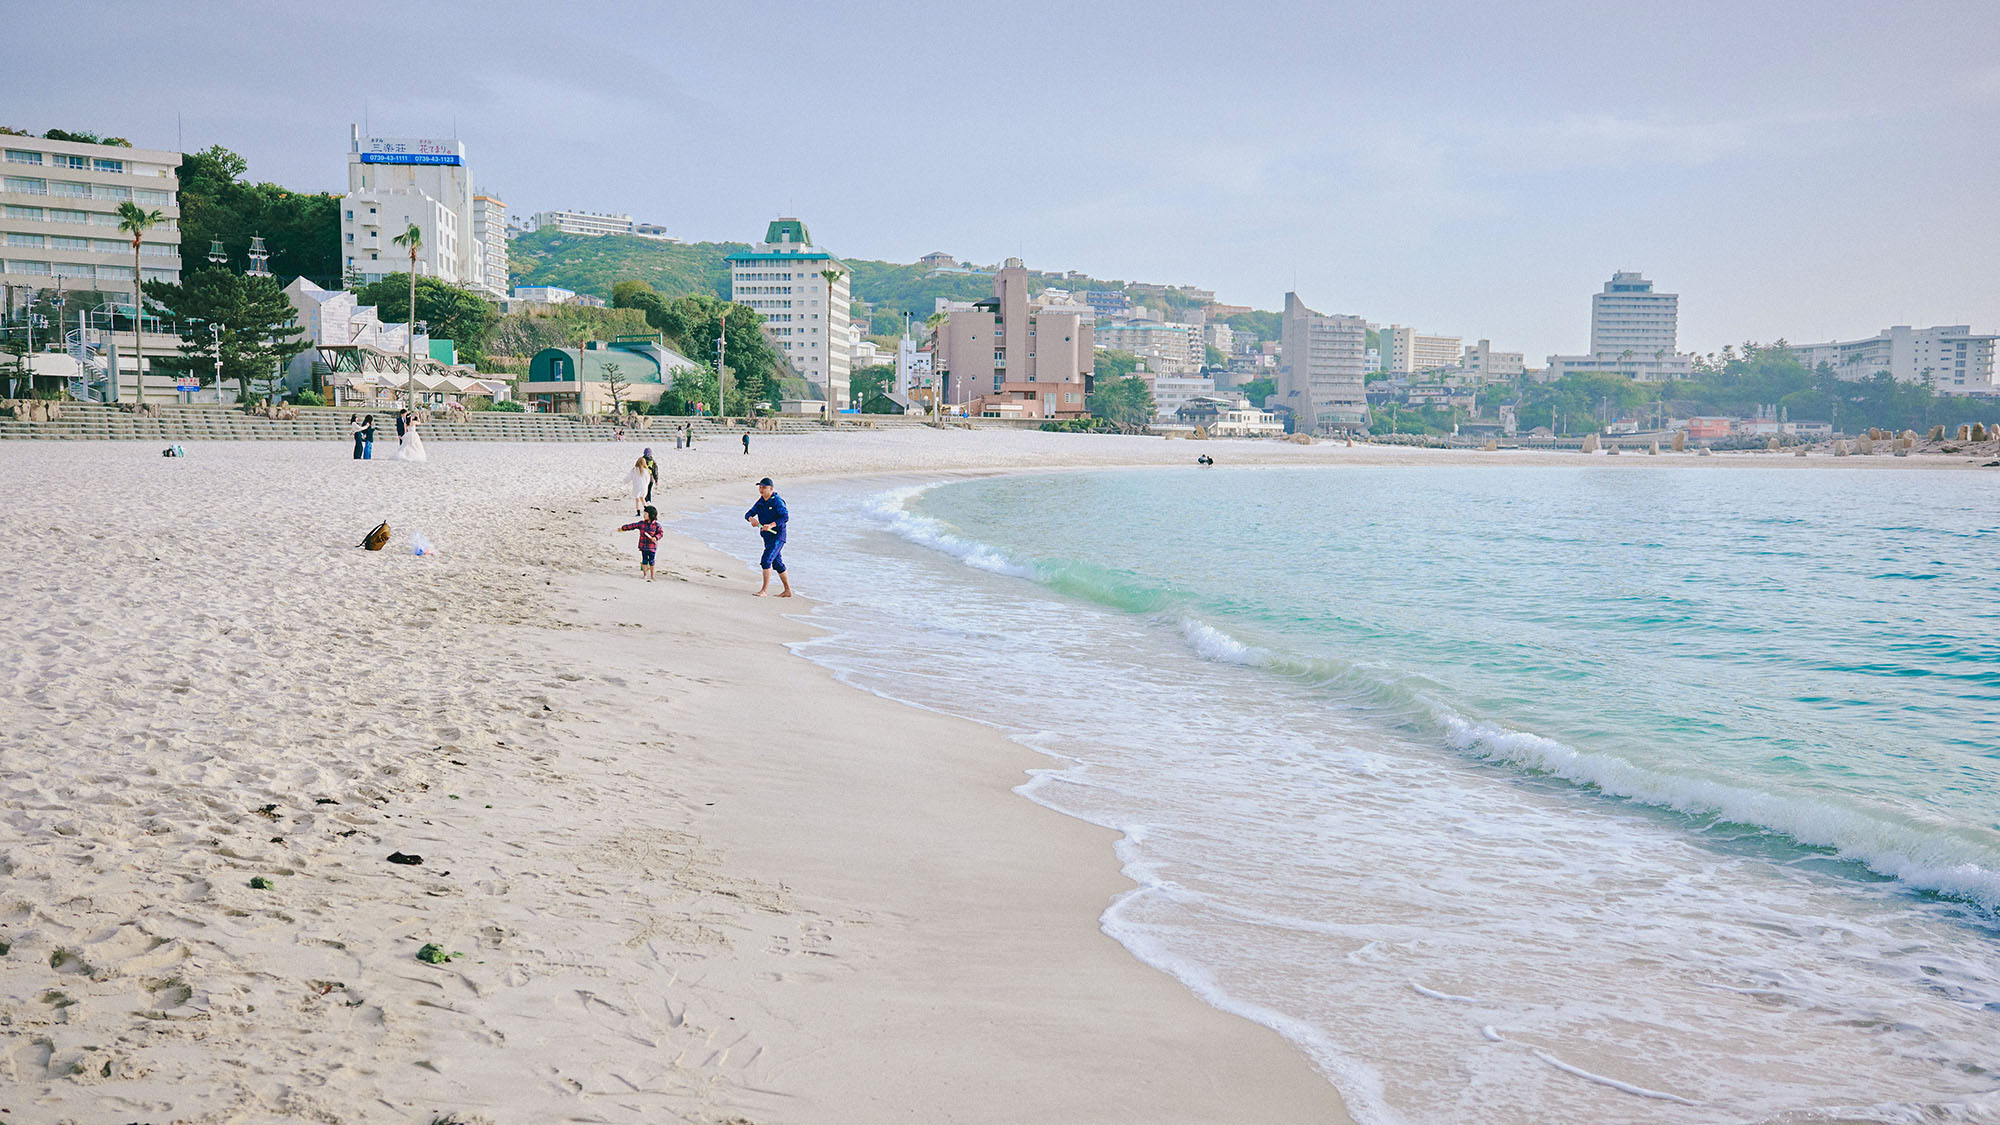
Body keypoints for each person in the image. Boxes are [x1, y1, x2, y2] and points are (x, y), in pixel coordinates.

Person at [743, 476, 791, 597]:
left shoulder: (777, 501)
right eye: (760, 487)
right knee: (777, 563)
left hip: (778, 536)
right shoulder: (761, 501)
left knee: (766, 561)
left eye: (764, 487)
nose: (761, 489)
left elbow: (785, 517)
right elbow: (748, 513)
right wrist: (751, 519)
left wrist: (771, 525)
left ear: (771, 489)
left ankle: (764, 590)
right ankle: (787, 591)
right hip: (766, 537)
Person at [619, 505, 663, 581]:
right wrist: (623, 528)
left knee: (652, 561)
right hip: (643, 546)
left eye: (646, 514)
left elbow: (660, 533)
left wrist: (655, 538)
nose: (644, 515)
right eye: (644, 513)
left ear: (651, 515)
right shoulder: (641, 523)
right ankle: (645, 575)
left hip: (652, 547)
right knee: (644, 560)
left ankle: (652, 576)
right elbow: (632, 526)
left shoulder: (657, 525)